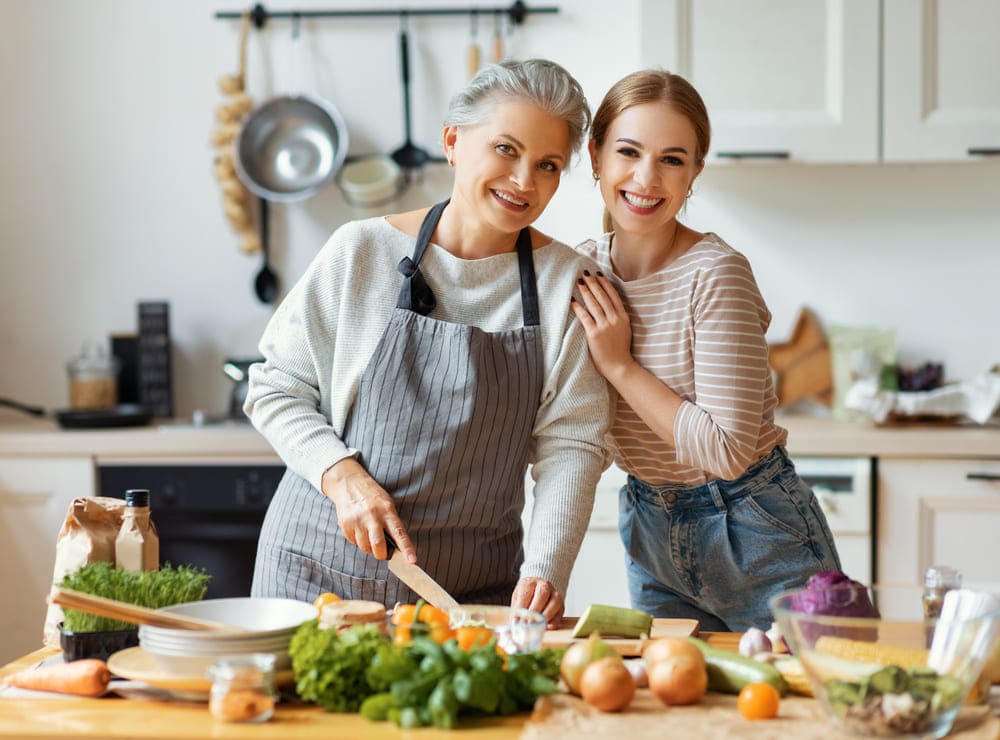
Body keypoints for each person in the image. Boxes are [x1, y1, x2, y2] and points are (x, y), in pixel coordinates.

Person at [245, 59, 610, 626]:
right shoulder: (359, 251)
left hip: (469, 597)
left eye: (547, 165)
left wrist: (546, 568)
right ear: (453, 142)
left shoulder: (568, 283)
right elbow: (274, 386)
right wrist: (341, 475)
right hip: (313, 578)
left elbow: (572, 444)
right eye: (506, 149)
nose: (523, 181)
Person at [571, 70, 841, 632]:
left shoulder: (715, 274)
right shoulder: (582, 270)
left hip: (756, 529)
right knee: (681, 710)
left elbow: (725, 450)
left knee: (818, 710)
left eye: (673, 159)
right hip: (650, 523)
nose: (647, 177)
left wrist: (619, 364)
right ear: (595, 155)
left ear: (695, 171)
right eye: (628, 151)